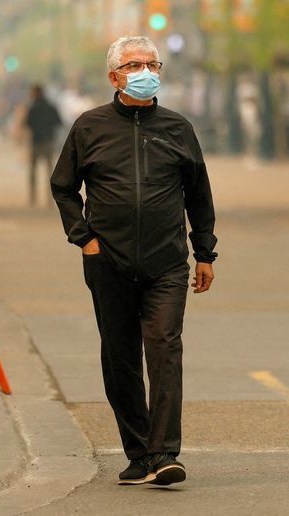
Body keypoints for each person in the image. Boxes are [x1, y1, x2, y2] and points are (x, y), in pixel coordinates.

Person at [50, 36, 218, 487]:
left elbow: (199, 195)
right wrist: (83, 238)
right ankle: (138, 452)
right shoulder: (90, 127)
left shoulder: (178, 129)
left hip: (167, 263)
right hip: (109, 263)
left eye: (151, 64)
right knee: (120, 357)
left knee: (163, 348)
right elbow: (63, 187)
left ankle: (164, 453)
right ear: (114, 77)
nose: (145, 72)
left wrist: (205, 252)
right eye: (133, 65)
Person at [25, 84, 62, 205]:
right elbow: (58, 122)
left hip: (36, 141)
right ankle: (49, 198)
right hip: (48, 141)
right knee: (49, 171)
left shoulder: (33, 108)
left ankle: (33, 198)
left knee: (33, 171)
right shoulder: (51, 107)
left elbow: (28, 123)